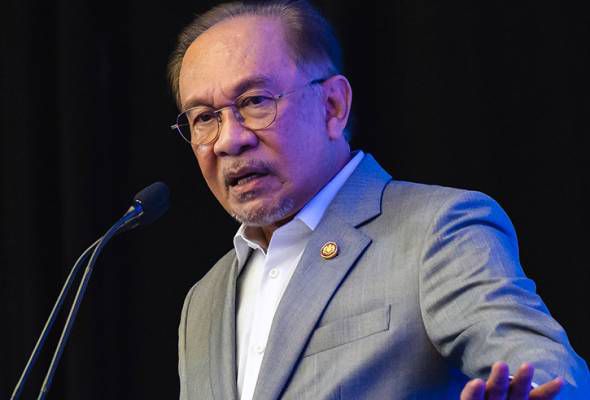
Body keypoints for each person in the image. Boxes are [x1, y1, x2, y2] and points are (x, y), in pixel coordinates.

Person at [168, 1, 590, 399]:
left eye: (255, 102)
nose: (229, 140)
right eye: (204, 117)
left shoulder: (435, 231)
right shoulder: (203, 300)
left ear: (333, 106)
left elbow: (542, 368)